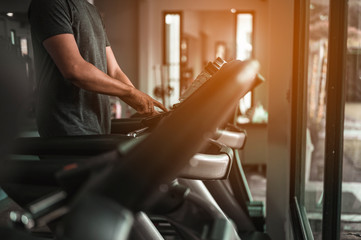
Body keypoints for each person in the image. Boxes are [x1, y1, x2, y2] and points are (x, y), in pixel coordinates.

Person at [28, 0, 167, 137]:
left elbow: (114, 71)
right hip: (67, 126)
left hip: (99, 125)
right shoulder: (49, 4)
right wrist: (131, 93)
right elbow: (74, 69)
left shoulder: (92, 11)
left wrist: (146, 107)